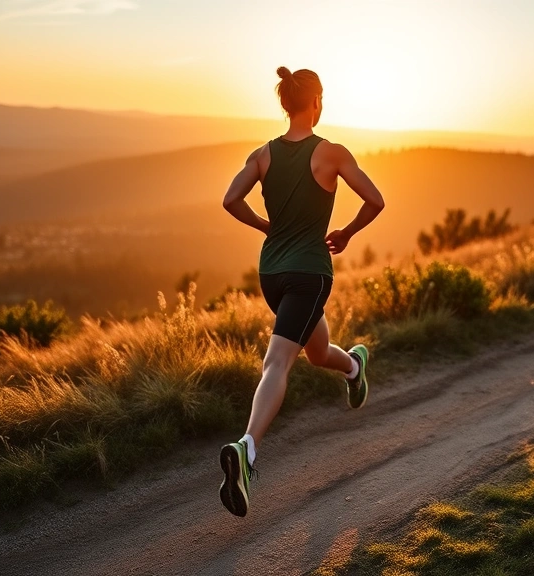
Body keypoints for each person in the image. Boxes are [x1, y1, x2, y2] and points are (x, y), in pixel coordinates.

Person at [218, 66, 385, 517]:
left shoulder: (263, 155)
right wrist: (347, 232)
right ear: (317, 102)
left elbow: (231, 200)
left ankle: (353, 367)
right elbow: (376, 199)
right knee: (278, 361)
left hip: (272, 273)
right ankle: (247, 451)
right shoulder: (330, 153)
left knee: (315, 352)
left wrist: (264, 226)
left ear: (285, 104)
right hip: (310, 273)